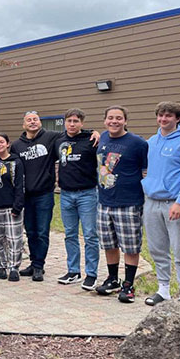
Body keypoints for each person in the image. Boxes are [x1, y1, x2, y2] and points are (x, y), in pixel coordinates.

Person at [11, 111, 98, 281]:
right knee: (31, 232)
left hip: (45, 193)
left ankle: (39, 266)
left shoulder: (52, 138)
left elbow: (74, 133)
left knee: (42, 232)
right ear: (23, 125)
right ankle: (34, 263)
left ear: (40, 122)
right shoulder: (17, 145)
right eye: (29, 120)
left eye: (35, 119)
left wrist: (93, 132)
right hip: (26, 195)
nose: (32, 122)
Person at [142, 101, 180, 305]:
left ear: (177, 118)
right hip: (152, 202)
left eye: (168, 115)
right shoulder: (152, 141)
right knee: (157, 249)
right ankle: (164, 289)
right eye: (160, 115)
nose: (163, 119)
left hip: (175, 204)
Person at [95, 105, 149, 303]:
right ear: (105, 121)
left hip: (128, 202)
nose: (114, 121)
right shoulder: (103, 137)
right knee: (109, 244)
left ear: (125, 121)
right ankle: (112, 279)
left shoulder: (137, 143)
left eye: (119, 118)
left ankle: (128, 285)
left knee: (130, 246)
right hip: (104, 201)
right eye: (110, 118)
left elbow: (147, 169)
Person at [55, 109, 100, 291]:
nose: (72, 124)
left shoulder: (92, 140)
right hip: (66, 194)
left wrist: (95, 132)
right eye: (69, 121)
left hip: (87, 194)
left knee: (90, 235)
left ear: (82, 123)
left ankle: (91, 274)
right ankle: (73, 271)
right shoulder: (59, 140)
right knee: (70, 234)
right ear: (64, 122)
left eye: (75, 121)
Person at [0, 133, 25, 282]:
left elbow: (20, 185)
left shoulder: (16, 162)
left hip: (12, 207)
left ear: (8, 144)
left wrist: (17, 206)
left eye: (1, 142)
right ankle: (1, 266)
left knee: (14, 239)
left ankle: (14, 267)